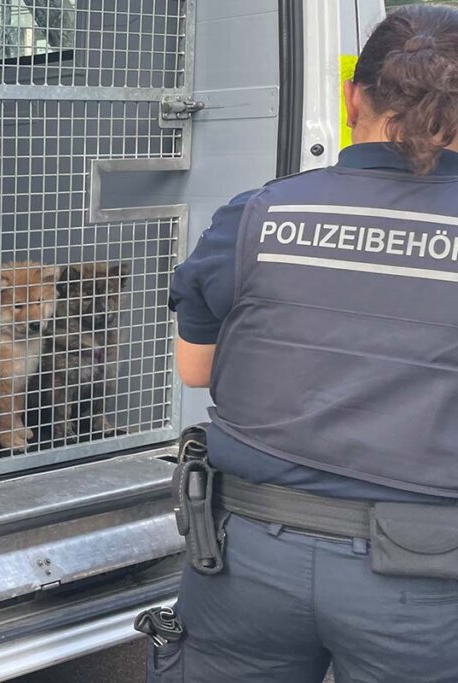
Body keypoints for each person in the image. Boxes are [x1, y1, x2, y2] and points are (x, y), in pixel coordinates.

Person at [156, 5, 458, 682]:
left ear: (353, 96)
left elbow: (195, 368)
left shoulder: (258, 213)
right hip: (425, 579)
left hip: (247, 558)